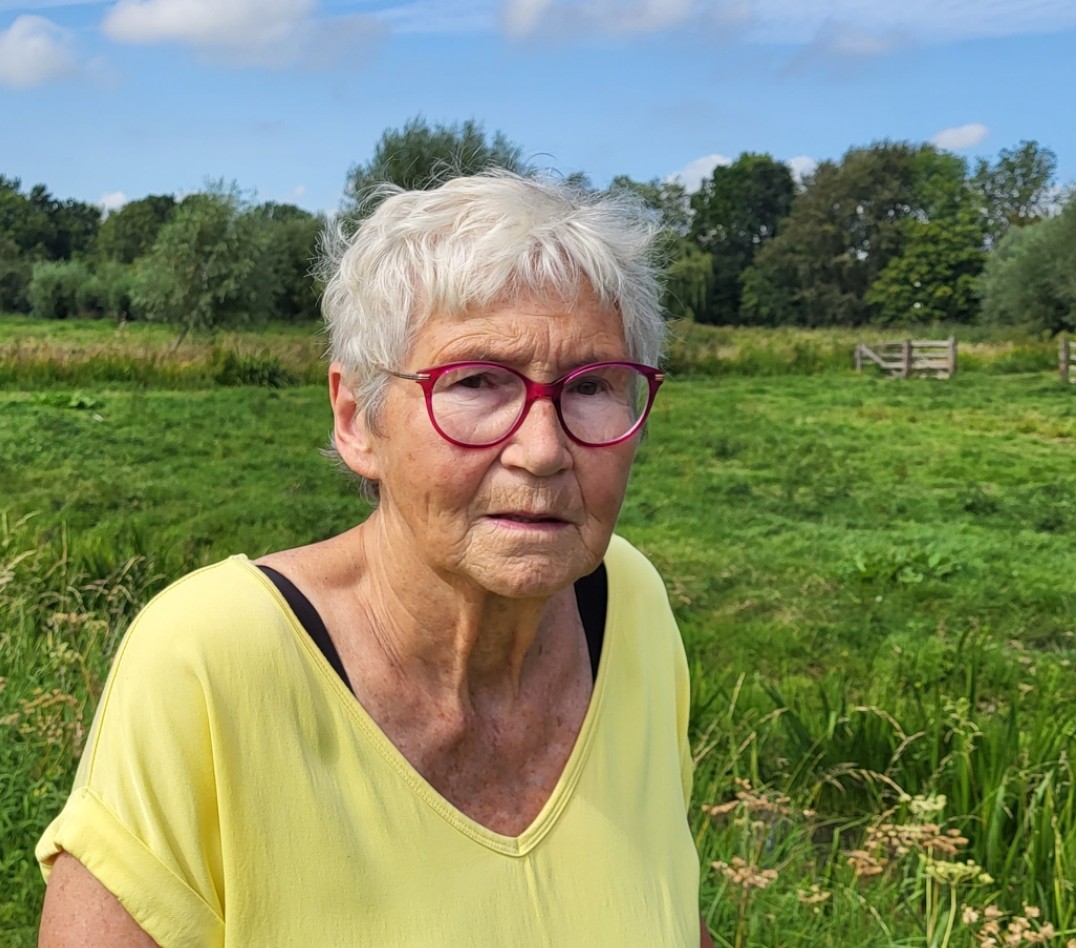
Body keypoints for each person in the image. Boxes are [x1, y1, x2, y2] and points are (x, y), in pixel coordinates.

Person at [37, 171, 708, 946]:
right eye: (477, 381)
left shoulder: (628, 603)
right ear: (356, 419)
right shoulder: (211, 659)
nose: (543, 450)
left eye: (591, 387)